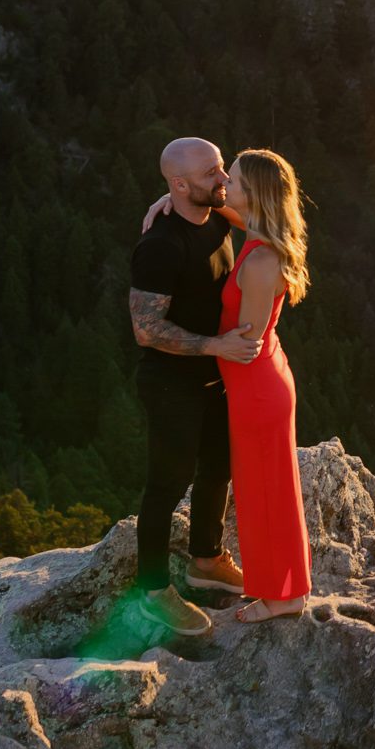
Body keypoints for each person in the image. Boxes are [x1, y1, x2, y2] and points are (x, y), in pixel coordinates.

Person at [143, 146, 315, 623]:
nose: (225, 184)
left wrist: (205, 344)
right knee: (268, 491)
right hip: (255, 383)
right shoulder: (257, 230)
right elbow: (218, 203)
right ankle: (283, 589)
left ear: (254, 194)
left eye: (233, 179)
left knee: (267, 494)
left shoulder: (261, 262)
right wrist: (170, 197)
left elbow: (246, 342)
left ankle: (283, 597)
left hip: (255, 385)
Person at [127, 136, 261, 637]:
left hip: (213, 374)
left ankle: (205, 560)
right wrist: (215, 346)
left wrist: (219, 355)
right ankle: (153, 591)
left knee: (218, 468)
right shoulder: (160, 246)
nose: (223, 180)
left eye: (222, 168)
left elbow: (267, 224)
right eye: (211, 174)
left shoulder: (215, 216)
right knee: (167, 483)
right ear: (180, 183)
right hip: (171, 382)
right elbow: (146, 329)